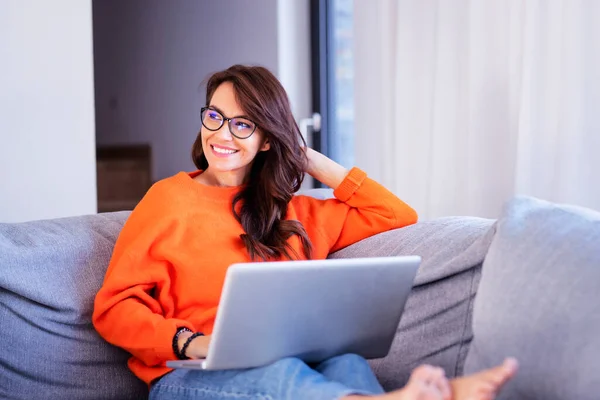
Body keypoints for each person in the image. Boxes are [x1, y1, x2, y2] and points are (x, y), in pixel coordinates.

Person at [92, 64, 518, 400]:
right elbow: (114, 309)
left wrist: (308, 159)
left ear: (266, 140)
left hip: (292, 365)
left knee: (347, 363)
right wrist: (190, 341)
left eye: (243, 124)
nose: (222, 134)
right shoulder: (167, 199)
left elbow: (395, 214)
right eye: (215, 117)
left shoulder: (296, 213)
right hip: (187, 381)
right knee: (284, 375)